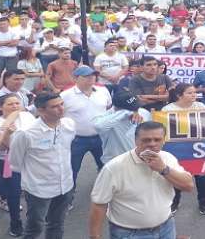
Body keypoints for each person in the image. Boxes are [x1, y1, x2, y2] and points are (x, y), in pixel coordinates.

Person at [89, 120, 194, 239]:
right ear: (135, 141)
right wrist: (95, 236)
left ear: (163, 140)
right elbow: (99, 204)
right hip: (129, 234)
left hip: (166, 227)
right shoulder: (114, 168)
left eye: (157, 139)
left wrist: (163, 169)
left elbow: (188, 186)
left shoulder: (168, 158)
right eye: (146, 140)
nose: (152, 144)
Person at [9, 93, 76, 239]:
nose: (61, 109)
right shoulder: (26, 134)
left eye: (61, 104)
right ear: (40, 110)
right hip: (39, 190)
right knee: (35, 228)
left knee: (57, 224)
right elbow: (15, 163)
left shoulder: (69, 125)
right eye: (54, 106)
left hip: (65, 185)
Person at [0, 93, 37, 237]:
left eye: (17, 103)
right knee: (14, 193)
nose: (15, 106)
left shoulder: (27, 116)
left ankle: (34, 220)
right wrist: (7, 133)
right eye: (10, 104)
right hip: (9, 161)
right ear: (0, 107)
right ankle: (15, 222)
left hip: (31, 159)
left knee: (33, 190)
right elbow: (0, 146)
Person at [61, 66, 112, 199]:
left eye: (93, 76)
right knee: (71, 170)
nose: (91, 79)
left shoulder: (103, 91)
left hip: (102, 137)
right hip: (76, 139)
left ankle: (106, 193)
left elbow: (108, 108)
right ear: (75, 78)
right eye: (86, 76)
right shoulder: (65, 96)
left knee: (106, 166)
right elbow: (59, 115)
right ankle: (67, 199)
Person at [163, 84, 205, 215]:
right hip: (177, 150)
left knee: (202, 176)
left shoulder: (201, 106)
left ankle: (204, 202)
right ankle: (174, 201)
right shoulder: (167, 109)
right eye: (190, 93)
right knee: (176, 176)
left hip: (198, 149)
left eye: (194, 92)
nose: (194, 95)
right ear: (179, 95)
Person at [93, 90, 148, 165]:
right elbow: (98, 126)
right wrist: (126, 113)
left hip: (139, 160)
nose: (136, 110)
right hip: (115, 163)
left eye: (136, 106)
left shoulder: (143, 112)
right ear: (116, 108)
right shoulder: (107, 117)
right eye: (132, 108)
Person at [0, 17, 21, 90]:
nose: (2, 26)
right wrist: (8, 41)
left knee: (12, 74)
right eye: (0, 24)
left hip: (12, 56)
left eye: (4, 24)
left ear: (8, 24)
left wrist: (0, 43)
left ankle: (11, 88)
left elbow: (15, 43)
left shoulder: (14, 32)